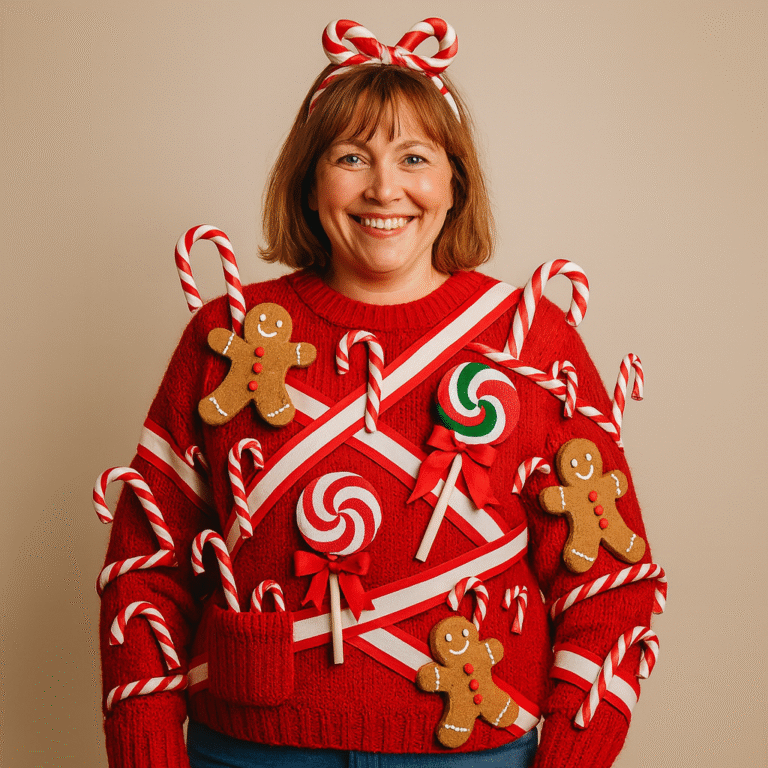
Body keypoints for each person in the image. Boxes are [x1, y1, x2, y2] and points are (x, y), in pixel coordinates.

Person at [98, 18, 661, 768]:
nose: (384, 188)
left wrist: (570, 758)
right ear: (309, 179)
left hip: (473, 751)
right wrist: (144, 754)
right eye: (351, 156)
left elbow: (611, 582)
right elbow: (145, 571)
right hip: (251, 749)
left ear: (455, 180)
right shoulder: (228, 335)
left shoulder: (532, 342)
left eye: (415, 157)